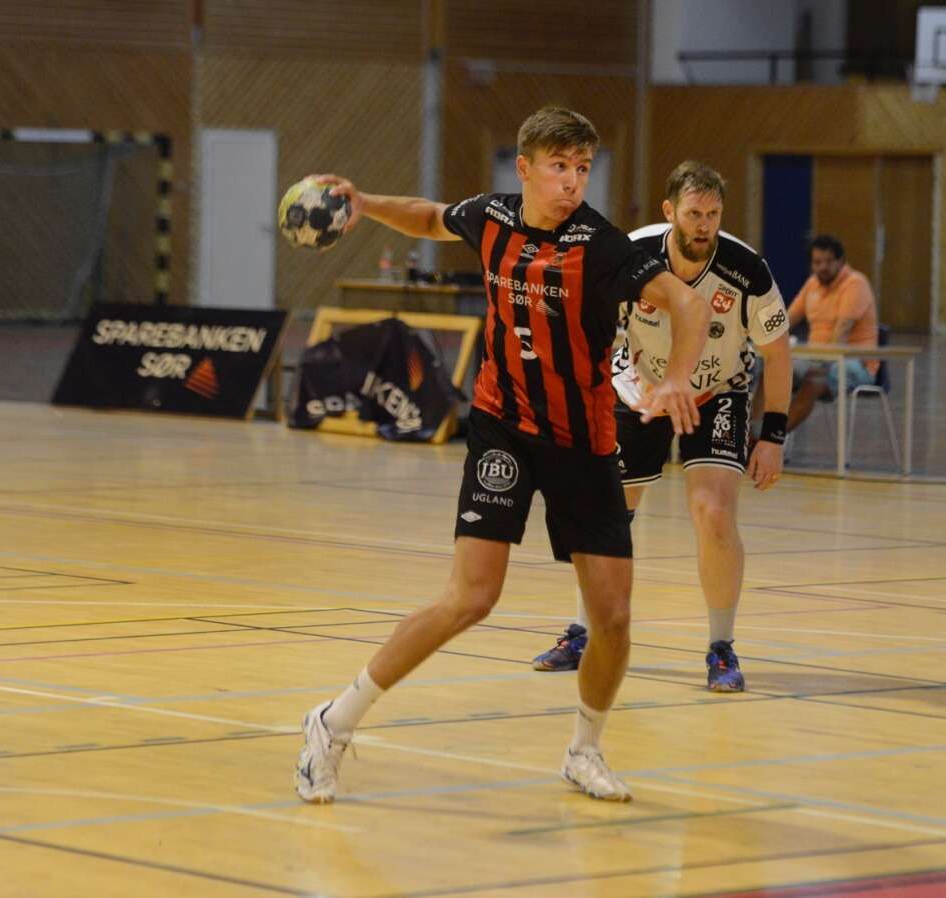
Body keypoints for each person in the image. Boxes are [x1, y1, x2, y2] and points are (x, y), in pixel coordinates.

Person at [294, 107, 708, 805]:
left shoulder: (601, 245)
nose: (572, 182)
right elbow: (431, 218)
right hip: (503, 429)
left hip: (582, 442)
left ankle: (584, 751)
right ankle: (332, 723)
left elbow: (686, 304)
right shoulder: (490, 217)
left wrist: (677, 379)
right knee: (472, 598)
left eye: (582, 169)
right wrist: (365, 204)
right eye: (558, 167)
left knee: (612, 616)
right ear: (525, 169)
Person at [530, 161, 792, 692]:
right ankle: (583, 632)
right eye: (694, 214)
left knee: (713, 513)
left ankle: (721, 648)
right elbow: (587, 328)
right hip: (642, 388)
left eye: (713, 214)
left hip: (716, 391)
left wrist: (773, 436)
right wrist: (611, 384)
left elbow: (778, 352)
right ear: (670, 211)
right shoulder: (633, 256)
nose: (704, 225)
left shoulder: (746, 270)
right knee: (607, 513)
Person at [785, 234, 880, 433]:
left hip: (854, 364)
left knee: (814, 379)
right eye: (817, 262)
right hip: (816, 359)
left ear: (841, 261)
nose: (823, 267)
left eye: (828, 261)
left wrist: (817, 363)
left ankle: (771, 439)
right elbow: (787, 319)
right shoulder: (812, 284)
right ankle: (753, 434)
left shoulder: (855, 283)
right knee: (776, 372)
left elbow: (841, 332)